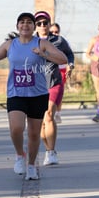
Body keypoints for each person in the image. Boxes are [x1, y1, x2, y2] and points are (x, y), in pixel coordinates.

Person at [0, 12, 67, 180]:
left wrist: (45, 55)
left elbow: (62, 58)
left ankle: (31, 165)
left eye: (29, 22)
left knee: (34, 134)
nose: (25, 25)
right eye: (22, 22)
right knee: (16, 128)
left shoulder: (41, 43)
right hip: (16, 93)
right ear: (17, 26)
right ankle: (20, 155)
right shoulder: (9, 45)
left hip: (38, 94)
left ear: (33, 27)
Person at [35, 11, 74, 166]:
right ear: (35, 26)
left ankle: (51, 153)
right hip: (37, 85)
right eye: (39, 23)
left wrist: (70, 64)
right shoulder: (30, 41)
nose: (42, 26)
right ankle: (48, 149)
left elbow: (69, 54)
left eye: (45, 23)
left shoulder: (58, 40)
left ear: (50, 24)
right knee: (41, 122)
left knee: (49, 114)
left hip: (54, 81)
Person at [49, 22, 70, 124]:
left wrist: (70, 66)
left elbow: (69, 55)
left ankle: (57, 113)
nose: (54, 33)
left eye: (56, 32)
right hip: (48, 70)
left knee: (58, 94)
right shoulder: (45, 42)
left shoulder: (62, 42)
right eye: (52, 32)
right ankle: (49, 111)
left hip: (61, 70)